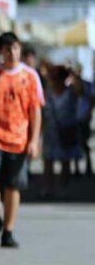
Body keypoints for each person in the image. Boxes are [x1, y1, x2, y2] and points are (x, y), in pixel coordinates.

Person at [0, 32, 41, 248]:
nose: (13, 52)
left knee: (13, 186)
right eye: (8, 49)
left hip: (19, 138)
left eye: (16, 48)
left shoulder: (29, 76)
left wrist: (34, 140)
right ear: (1, 51)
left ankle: (8, 231)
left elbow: (35, 110)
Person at [41, 65, 82, 199]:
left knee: (66, 161)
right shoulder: (48, 93)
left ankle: (62, 188)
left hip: (67, 131)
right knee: (48, 161)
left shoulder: (71, 92)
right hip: (51, 131)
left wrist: (73, 76)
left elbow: (81, 90)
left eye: (58, 78)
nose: (56, 81)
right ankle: (48, 188)